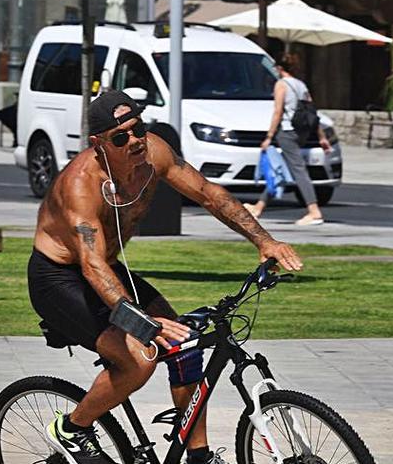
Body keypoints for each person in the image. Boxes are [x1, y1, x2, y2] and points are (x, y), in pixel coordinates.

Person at [29, 90, 303, 464]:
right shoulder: (80, 186)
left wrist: (264, 241)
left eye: (138, 128)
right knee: (139, 358)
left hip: (109, 271)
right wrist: (142, 323)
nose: (135, 140)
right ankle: (72, 429)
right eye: (121, 137)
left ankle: (198, 455)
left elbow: (208, 194)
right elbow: (91, 265)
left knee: (186, 344)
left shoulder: (153, 153)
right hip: (59, 278)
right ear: (98, 144)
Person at [243, 53, 332, 226]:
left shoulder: (281, 85)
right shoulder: (301, 85)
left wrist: (268, 137)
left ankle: (314, 211)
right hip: (301, 133)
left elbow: (277, 112)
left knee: (298, 170)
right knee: (279, 169)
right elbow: (313, 113)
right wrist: (322, 137)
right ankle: (258, 207)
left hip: (287, 132)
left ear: (279, 69)